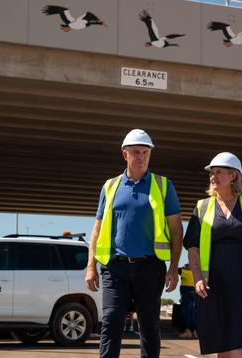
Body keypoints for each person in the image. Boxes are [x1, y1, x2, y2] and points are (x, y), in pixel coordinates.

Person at [85, 129, 183, 358]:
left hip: (150, 267)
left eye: (145, 152)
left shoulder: (164, 186)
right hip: (115, 267)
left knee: (149, 327)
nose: (141, 157)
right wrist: (91, 266)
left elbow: (176, 230)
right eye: (136, 152)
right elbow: (97, 229)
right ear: (124, 155)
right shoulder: (110, 187)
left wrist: (174, 268)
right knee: (111, 323)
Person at [183, 152, 242, 357]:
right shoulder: (202, 207)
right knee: (220, 338)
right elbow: (192, 246)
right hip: (214, 281)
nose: (212, 177)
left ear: (233, 175)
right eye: (211, 173)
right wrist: (197, 277)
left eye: (218, 172)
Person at [177, 263, 197, 339]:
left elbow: (177, 269)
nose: (185, 266)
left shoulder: (186, 272)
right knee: (193, 313)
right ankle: (194, 331)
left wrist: (184, 268)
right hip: (194, 294)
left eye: (186, 265)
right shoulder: (195, 274)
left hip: (187, 294)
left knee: (186, 313)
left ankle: (187, 331)